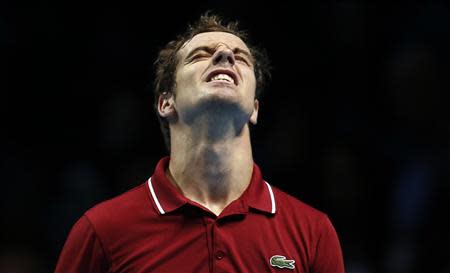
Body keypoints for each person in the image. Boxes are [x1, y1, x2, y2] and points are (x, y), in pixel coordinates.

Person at [55, 12, 345, 273]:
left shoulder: (313, 231)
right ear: (166, 102)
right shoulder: (103, 231)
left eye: (240, 57)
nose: (224, 56)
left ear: (255, 108)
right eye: (200, 55)